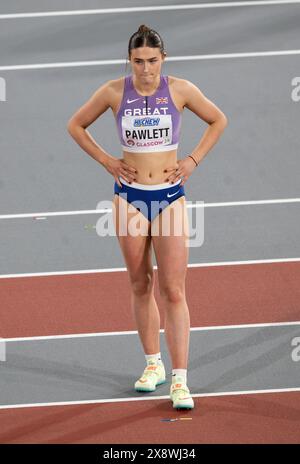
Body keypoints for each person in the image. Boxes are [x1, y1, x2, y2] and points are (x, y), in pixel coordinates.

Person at [67, 24, 228, 410]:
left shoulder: (181, 90)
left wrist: (192, 160)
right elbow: (76, 125)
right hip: (129, 198)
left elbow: (218, 119)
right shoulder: (112, 92)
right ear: (130, 61)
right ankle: (152, 365)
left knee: (173, 290)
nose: (145, 69)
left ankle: (180, 380)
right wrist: (107, 160)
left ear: (163, 59)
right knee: (140, 283)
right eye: (138, 62)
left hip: (170, 197)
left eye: (152, 61)